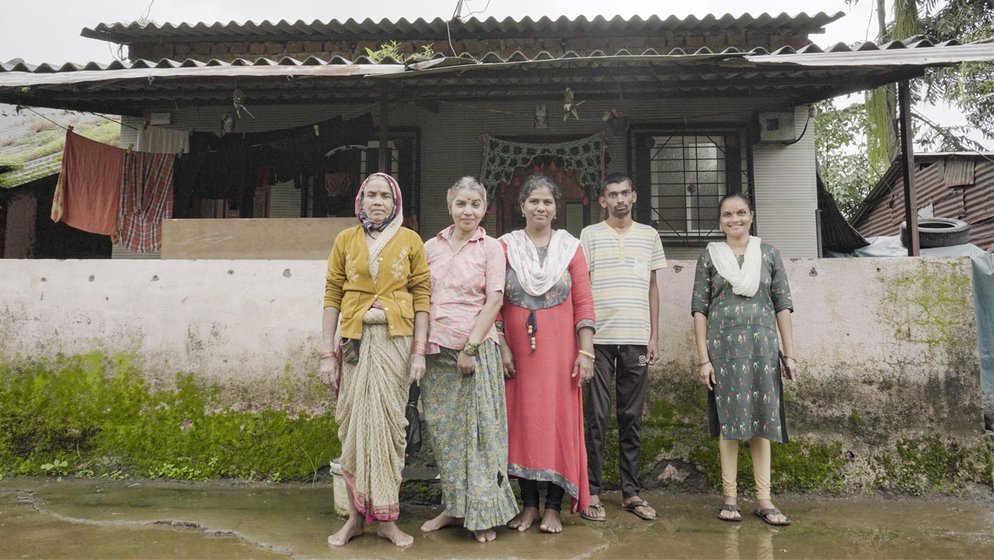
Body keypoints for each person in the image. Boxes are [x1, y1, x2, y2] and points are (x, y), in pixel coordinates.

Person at [318, 172, 431, 548]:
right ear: (360, 200)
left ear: (395, 202)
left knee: (388, 430)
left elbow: (422, 298)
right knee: (354, 429)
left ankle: (387, 520)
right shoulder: (345, 240)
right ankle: (355, 518)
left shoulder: (410, 240)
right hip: (354, 342)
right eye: (371, 195)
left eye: (385, 195)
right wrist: (325, 354)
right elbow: (332, 295)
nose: (378, 201)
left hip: (395, 343)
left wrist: (419, 351)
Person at [420, 177, 519, 543]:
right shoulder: (431, 246)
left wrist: (471, 348)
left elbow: (494, 300)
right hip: (436, 353)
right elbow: (421, 300)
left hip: (473, 352)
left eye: (475, 204)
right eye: (461, 203)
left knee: (479, 437)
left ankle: (482, 514)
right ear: (450, 206)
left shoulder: (491, 248)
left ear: (484, 208)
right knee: (446, 436)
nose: (468, 210)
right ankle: (453, 508)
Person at [690, 192, 798, 526]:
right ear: (719, 220)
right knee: (729, 423)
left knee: (762, 422)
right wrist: (703, 360)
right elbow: (699, 310)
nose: (734, 219)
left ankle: (764, 499)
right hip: (723, 352)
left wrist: (789, 354)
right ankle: (730, 498)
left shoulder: (769, 254)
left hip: (762, 350)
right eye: (727, 214)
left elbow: (782, 305)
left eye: (740, 213)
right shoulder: (710, 257)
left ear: (751, 215)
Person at [498, 174, 595, 534]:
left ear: (556, 209)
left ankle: (553, 506)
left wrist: (586, 352)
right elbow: (492, 301)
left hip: (560, 355)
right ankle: (528, 506)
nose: (541, 207)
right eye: (534, 201)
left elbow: (584, 302)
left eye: (548, 202)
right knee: (521, 423)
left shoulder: (571, 248)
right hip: (517, 357)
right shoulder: (505, 248)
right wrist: (502, 345)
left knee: (557, 423)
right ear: (521, 205)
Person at [579, 173, 667, 523]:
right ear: (602, 201)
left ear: (634, 196)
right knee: (596, 418)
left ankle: (631, 493)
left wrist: (654, 335)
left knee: (631, 418)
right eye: (612, 194)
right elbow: (581, 289)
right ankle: (593, 491)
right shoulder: (589, 235)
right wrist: (582, 341)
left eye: (625, 193)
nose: (619, 199)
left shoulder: (649, 236)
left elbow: (653, 288)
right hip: (598, 341)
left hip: (636, 339)